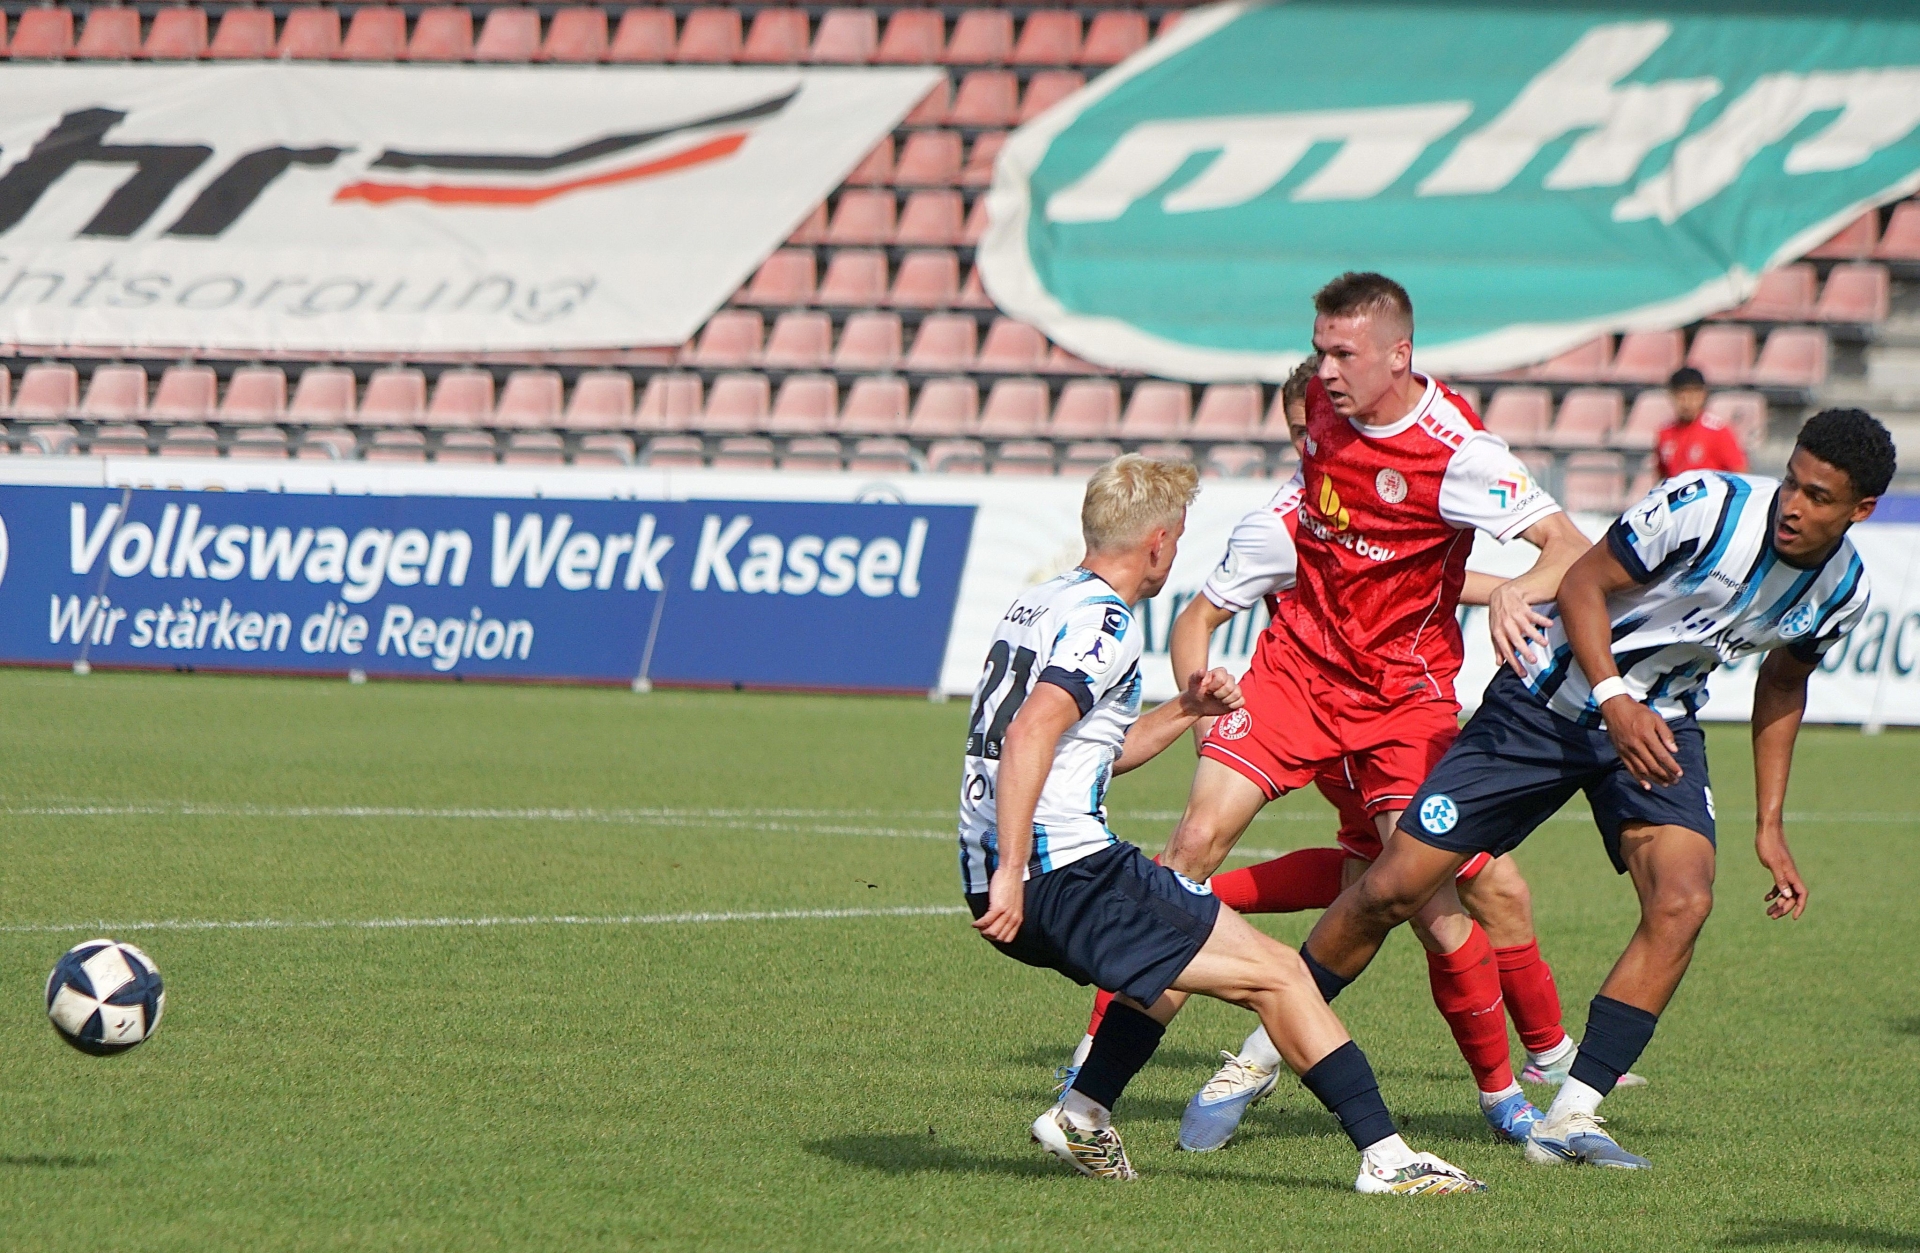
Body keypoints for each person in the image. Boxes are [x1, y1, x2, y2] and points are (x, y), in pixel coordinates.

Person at [1061, 358, 1635, 1153]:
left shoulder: (1423, 469)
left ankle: (1504, 1082)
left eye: (1324, 428)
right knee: (1195, 848)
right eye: (1303, 432)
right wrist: (1202, 715)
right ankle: (1098, 1059)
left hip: (1400, 705)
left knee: (1431, 891)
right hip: (1300, 694)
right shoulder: (1282, 519)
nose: (1317, 444)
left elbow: (1445, 568)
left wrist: (1519, 585)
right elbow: (1197, 617)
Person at [1299, 408, 1894, 1170]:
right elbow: (1582, 582)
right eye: (1791, 483)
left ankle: (1570, 1114)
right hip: (1546, 699)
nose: (1794, 505)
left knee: (1684, 898)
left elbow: (1783, 682)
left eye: (1817, 496)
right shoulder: (1706, 506)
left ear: (1860, 509)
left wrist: (1769, 825)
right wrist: (1614, 699)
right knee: (1393, 888)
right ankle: (1263, 1044)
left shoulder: (1842, 591)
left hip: (1657, 722)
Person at [962, 453, 1484, 1194]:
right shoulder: (1106, 620)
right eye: (1177, 538)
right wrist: (1016, 871)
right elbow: (1029, 733)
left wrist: (1186, 709)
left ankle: (1083, 1113)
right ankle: (1389, 1159)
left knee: (1164, 966)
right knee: (1280, 974)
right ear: (1157, 544)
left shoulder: (1041, 602)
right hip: (1061, 872)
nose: (1176, 551)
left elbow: (1089, 753)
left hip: (1001, 869)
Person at [1655, 367, 1748, 479]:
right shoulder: (1665, 432)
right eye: (1681, 397)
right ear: (1672, 396)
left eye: (1693, 396)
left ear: (1703, 395)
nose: (1688, 403)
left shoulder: (1718, 431)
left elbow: (1739, 473)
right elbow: (1662, 476)